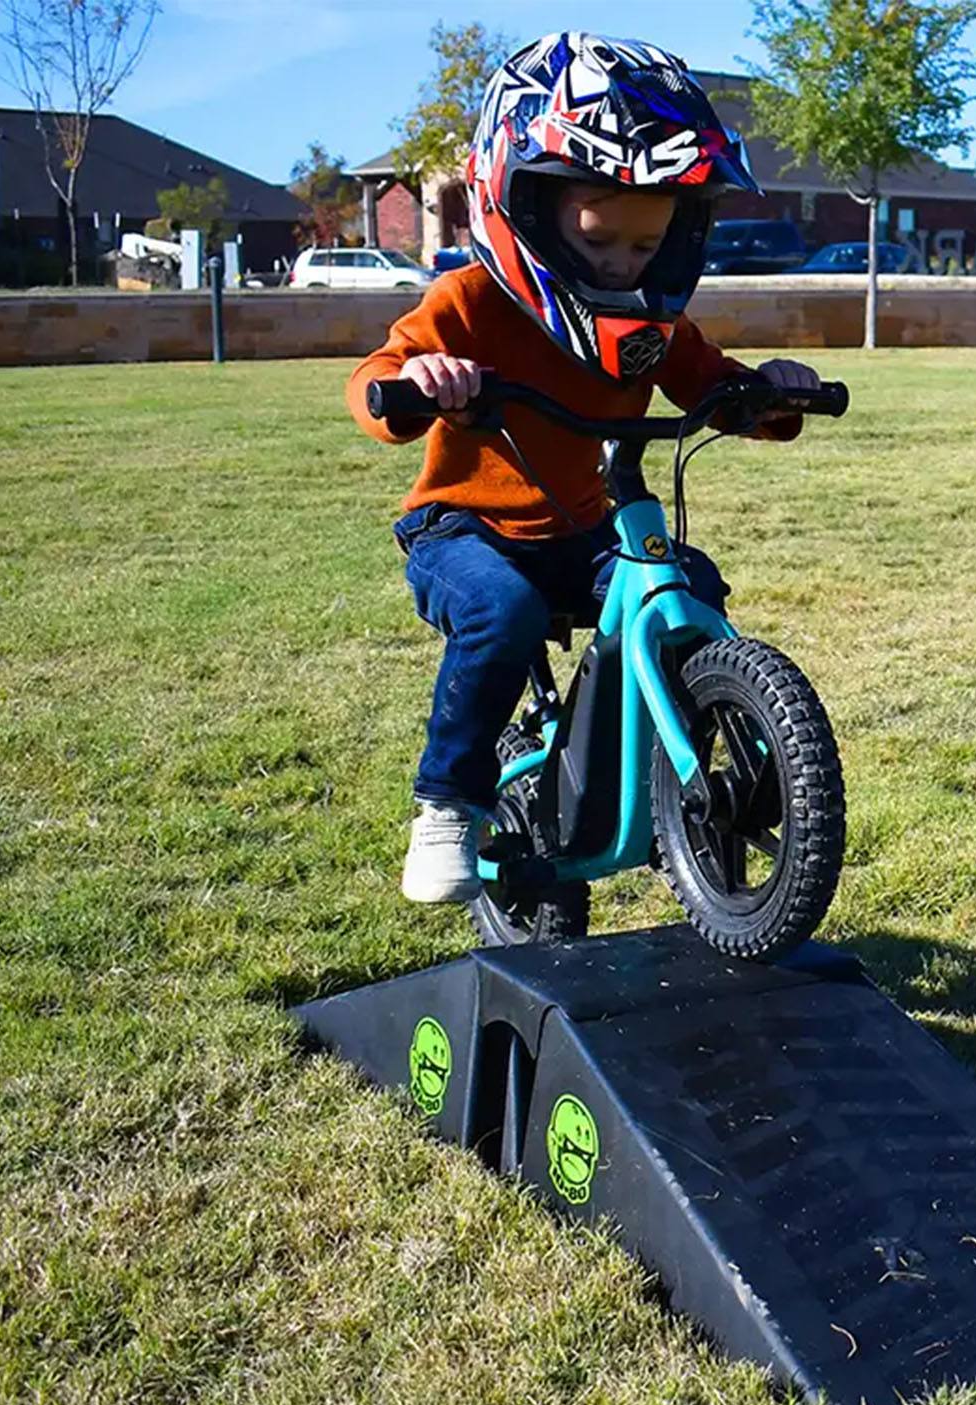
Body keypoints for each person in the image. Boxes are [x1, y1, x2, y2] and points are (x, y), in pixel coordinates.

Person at [348, 33, 818, 903]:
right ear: (528, 203)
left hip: (583, 526)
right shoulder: (469, 302)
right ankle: (448, 805)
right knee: (503, 609)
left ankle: (683, 763)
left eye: (648, 247)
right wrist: (422, 381)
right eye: (604, 241)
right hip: (464, 527)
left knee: (688, 587)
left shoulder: (648, 328)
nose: (623, 264)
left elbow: (714, 382)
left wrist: (769, 394)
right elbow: (375, 382)